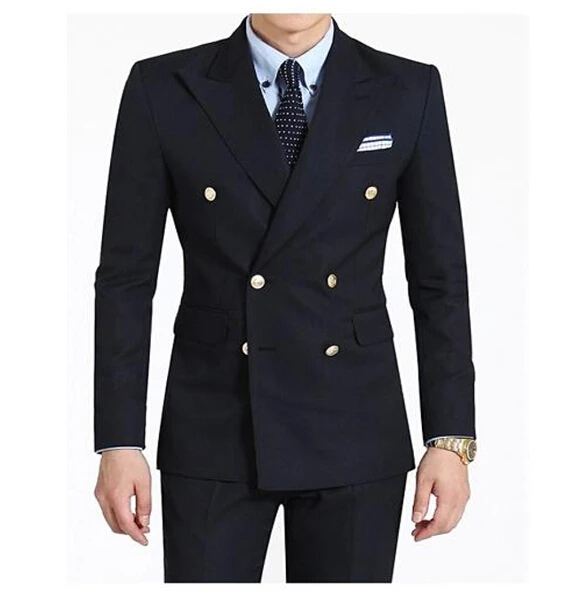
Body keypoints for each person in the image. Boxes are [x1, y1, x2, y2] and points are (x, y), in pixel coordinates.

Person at [93, 13, 477, 583]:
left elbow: (439, 279)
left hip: (355, 423)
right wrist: (119, 440)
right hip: (213, 421)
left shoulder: (407, 88)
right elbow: (125, 279)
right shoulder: (165, 86)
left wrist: (450, 437)